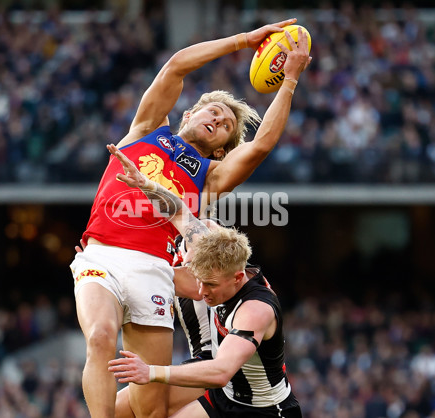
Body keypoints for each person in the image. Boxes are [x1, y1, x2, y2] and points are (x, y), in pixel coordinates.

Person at [71, 20, 311, 417]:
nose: (217, 119)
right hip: (103, 257)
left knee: (149, 409)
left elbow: (262, 144)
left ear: (221, 151)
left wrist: (289, 81)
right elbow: (176, 67)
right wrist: (242, 41)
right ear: (189, 113)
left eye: (226, 126)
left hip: (154, 270)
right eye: (212, 111)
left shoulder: (210, 176)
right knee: (99, 338)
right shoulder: (145, 130)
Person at [106, 145, 301, 417]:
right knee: (116, 411)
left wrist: (149, 372)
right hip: (224, 397)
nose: (200, 291)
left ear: (237, 278)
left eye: (209, 284)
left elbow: (221, 371)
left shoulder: (256, 309)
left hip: (263, 410)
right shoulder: (214, 257)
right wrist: (146, 184)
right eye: (199, 280)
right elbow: (178, 211)